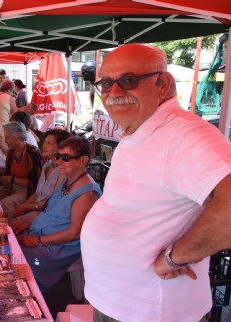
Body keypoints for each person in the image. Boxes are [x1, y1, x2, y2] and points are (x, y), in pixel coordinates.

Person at [81, 44, 231, 322]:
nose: (113, 93)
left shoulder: (185, 134)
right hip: (119, 303)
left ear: (163, 84)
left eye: (128, 81)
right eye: (105, 84)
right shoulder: (142, 130)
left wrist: (177, 256)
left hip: (150, 311)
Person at [17, 137, 101, 292]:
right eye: (58, 156)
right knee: (9, 243)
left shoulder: (87, 192)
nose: (59, 161)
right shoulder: (68, 180)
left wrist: (38, 240)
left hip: (58, 246)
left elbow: (74, 233)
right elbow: (49, 208)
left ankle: (27, 295)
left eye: (66, 157)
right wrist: (26, 224)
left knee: (16, 260)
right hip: (41, 233)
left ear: (83, 161)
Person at [9, 129, 71, 226]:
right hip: (34, 208)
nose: (44, 146)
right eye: (45, 142)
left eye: (49, 143)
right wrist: (23, 206)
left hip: (46, 213)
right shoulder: (47, 165)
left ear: (61, 148)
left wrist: (27, 207)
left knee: (13, 224)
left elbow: (52, 202)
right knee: (9, 215)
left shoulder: (62, 172)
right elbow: (37, 193)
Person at [0, 122, 43, 218]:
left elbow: (36, 182)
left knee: (4, 204)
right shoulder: (12, 151)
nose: (5, 141)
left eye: (7, 137)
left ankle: (6, 228)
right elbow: (7, 175)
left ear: (19, 138)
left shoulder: (32, 153)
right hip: (12, 187)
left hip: (28, 191)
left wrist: (12, 180)